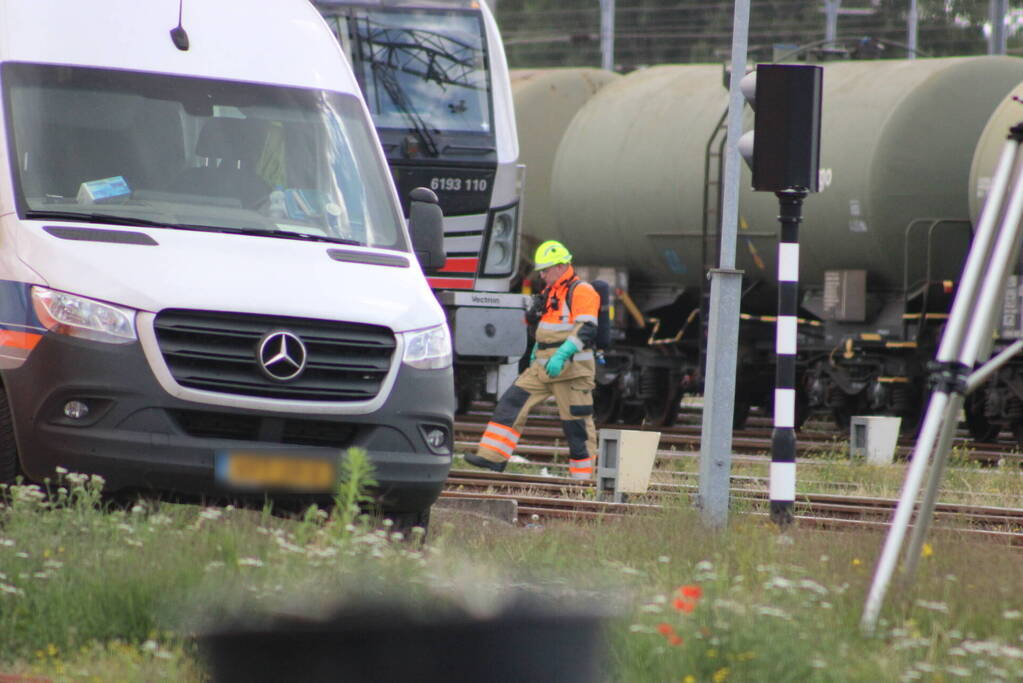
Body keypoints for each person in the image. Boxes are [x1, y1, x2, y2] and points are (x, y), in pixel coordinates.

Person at [464, 240, 600, 479]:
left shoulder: (582, 291)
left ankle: (583, 482)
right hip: (542, 368)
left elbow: (587, 329)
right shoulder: (551, 292)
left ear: (560, 266)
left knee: (576, 427)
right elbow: (547, 329)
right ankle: (492, 457)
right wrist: (537, 347)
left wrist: (560, 355)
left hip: (572, 370)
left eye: (546, 270)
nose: (542, 274)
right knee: (510, 404)